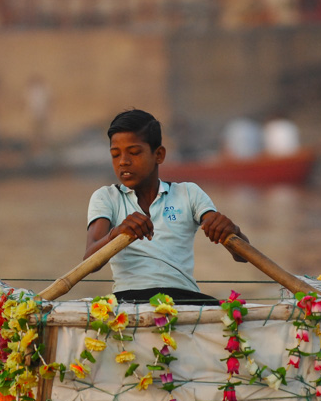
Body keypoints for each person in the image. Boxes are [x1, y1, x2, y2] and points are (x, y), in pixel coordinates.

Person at [85, 109, 247, 306]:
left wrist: (231, 230)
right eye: (115, 155)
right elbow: (89, 261)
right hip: (128, 303)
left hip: (185, 302)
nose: (123, 162)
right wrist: (117, 234)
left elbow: (241, 256)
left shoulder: (189, 193)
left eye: (134, 153)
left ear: (159, 155)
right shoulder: (106, 197)